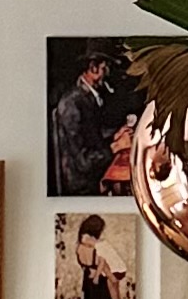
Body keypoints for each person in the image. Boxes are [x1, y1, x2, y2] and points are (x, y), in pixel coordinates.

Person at [49, 44, 131, 198]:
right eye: (106, 68)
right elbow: (84, 162)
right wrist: (116, 146)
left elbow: (93, 135)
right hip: (83, 186)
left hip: (93, 174)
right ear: (93, 68)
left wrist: (116, 135)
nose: (108, 73)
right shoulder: (72, 104)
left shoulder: (89, 97)